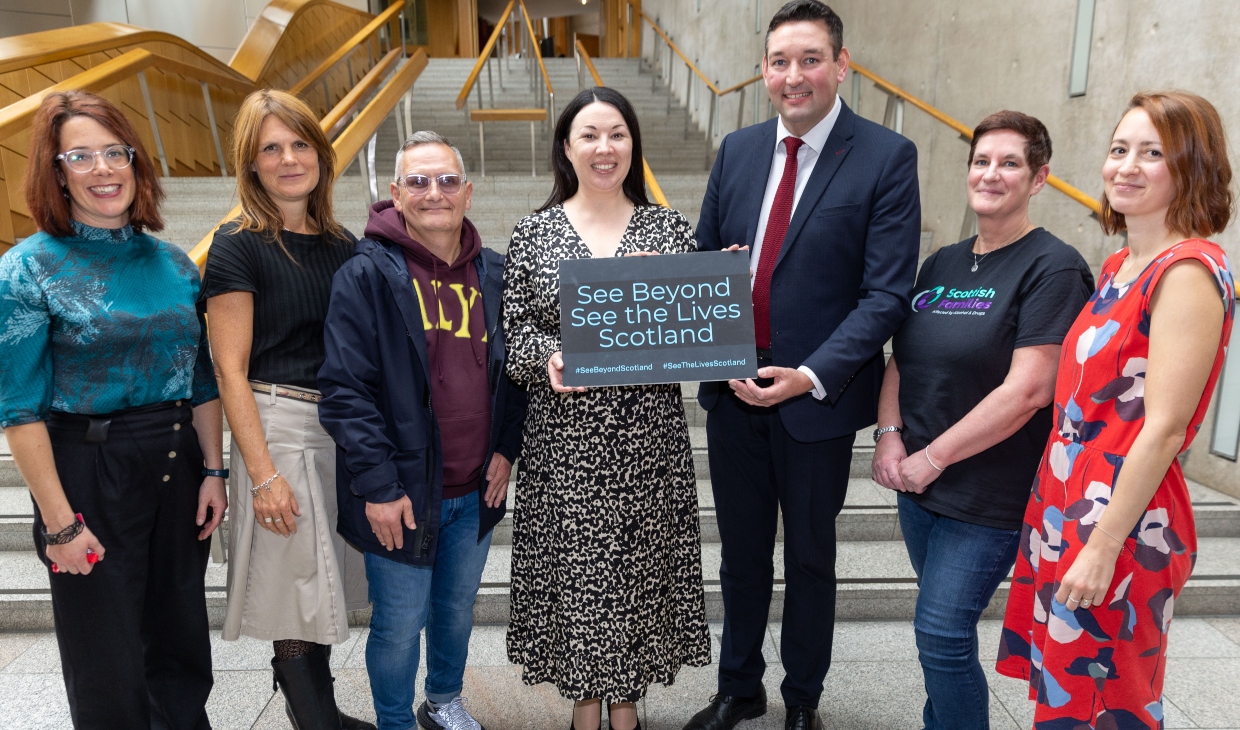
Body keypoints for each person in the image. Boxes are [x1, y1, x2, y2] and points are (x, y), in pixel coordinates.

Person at [689, 1, 922, 728]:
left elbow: (885, 296)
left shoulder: (886, 156)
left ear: (841, 65)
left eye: (810, 60)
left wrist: (810, 375)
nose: (795, 76)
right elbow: (701, 258)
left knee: (813, 560)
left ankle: (802, 699)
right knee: (741, 558)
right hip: (734, 391)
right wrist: (705, 279)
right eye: (780, 62)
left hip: (817, 399)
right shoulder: (737, 150)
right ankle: (740, 688)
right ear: (763, 71)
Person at [996, 91, 1235, 727]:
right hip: (1068, 506)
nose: (1125, 166)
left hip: (1123, 521)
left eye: (1152, 153)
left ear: (1191, 166)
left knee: (1105, 705)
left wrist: (1103, 545)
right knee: (1068, 698)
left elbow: (1164, 430)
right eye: (1119, 149)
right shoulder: (1122, 265)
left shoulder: (1186, 271)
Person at [0, 90, 224, 729]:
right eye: (81, 156)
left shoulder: (173, 261)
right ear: (56, 171)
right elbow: (18, 411)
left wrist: (214, 470)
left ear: (134, 161)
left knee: (180, 636)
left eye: (114, 152)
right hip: (88, 470)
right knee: (106, 651)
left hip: (179, 465)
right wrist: (59, 524)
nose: (103, 169)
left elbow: (200, 376)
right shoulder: (27, 269)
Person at [870, 111, 1094, 729]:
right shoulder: (941, 262)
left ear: (1039, 178)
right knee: (941, 634)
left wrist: (931, 456)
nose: (990, 174)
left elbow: (1028, 391)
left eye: (1009, 163)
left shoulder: (1054, 266)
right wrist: (890, 438)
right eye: (981, 161)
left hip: (991, 493)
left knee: (941, 632)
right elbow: (901, 359)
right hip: (918, 489)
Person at [502, 86, 711, 730]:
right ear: (567, 148)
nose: (604, 147)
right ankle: (584, 708)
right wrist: (550, 359)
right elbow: (515, 333)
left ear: (633, 145)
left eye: (617, 133)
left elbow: (698, 330)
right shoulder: (535, 232)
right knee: (579, 576)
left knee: (635, 572)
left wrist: (710, 290)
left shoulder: (669, 229)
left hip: (645, 439)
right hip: (567, 442)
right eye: (589, 135)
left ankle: (626, 707)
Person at [318, 130, 527, 730]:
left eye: (445, 181)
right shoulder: (366, 275)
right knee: (398, 625)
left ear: (467, 190)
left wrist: (507, 450)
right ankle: (394, 721)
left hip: (474, 492)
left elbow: (514, 375)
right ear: (395, 193)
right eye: (418, 181)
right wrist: (379, 486)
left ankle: (442, 701)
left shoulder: (496, 272)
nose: (433, 192)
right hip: (403, 493)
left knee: (456, 611)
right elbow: (344, 390)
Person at [201, 89, 373, 730]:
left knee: (319, 577)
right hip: (276, 423)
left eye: (300, 143)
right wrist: (262, 473)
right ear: (251, 165)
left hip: (336, 429)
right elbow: (229, 370)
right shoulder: (237, 244)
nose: (289, 158)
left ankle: (318, 704)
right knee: (296, 583)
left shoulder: (342, 243)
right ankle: (314, 719)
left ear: (323, 157)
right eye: (271, 147)